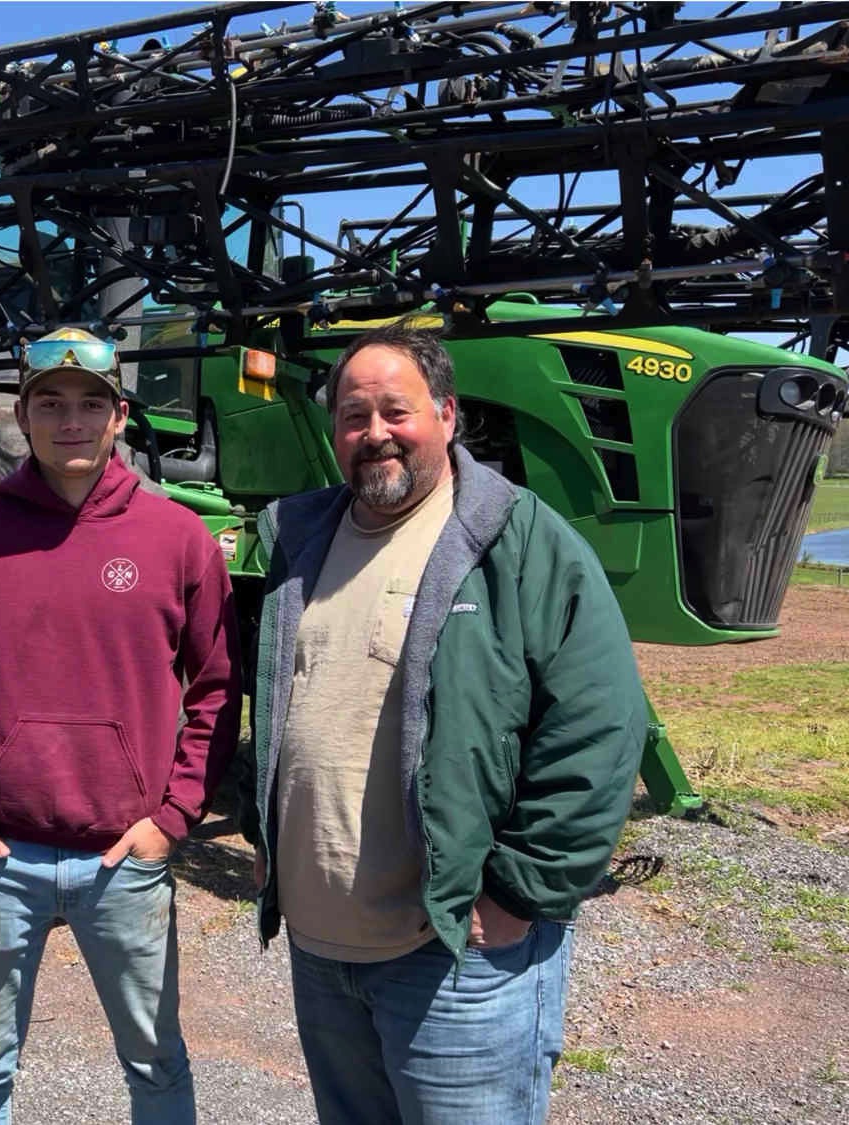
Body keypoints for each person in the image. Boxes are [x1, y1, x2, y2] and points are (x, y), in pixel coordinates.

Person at [239, 322, 646, 1124]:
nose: (374, 433)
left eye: (397, 410)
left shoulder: (521, 541)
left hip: (457, 957)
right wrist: (268, 846)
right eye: (354, 417)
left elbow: (599, 727)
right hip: (323, 956)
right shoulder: (298, 539)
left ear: (448, 414)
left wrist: (518, 892)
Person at [0, 327, 242, 1124]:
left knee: (155, 1061)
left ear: (119, 417)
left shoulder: (177, 539)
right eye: (51, 403)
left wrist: (173, 817)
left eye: (90, 404)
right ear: (23, 414)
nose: (70, 420)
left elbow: (217, 689)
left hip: (125, 857)